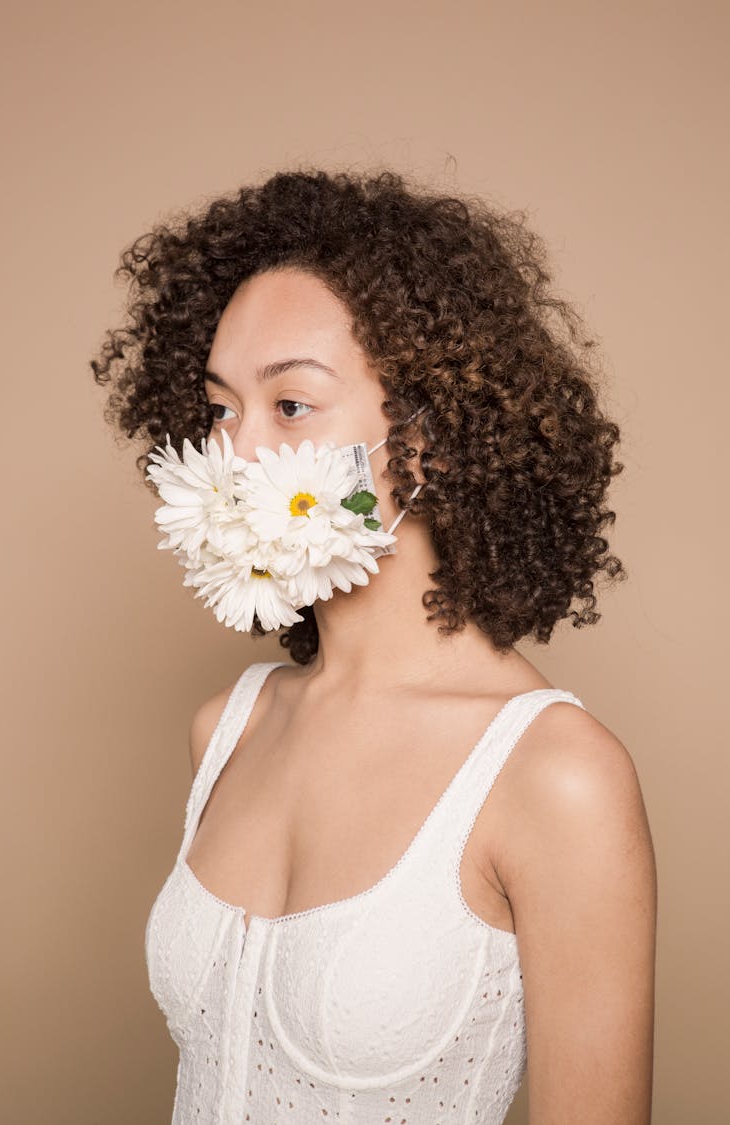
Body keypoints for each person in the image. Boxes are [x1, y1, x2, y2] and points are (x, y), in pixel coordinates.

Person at [91, 168, 657, 1124]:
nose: (236, 455)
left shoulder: (557, 775)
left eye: (293, 406)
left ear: (426, 441)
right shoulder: (226, 728)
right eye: (223, 408)